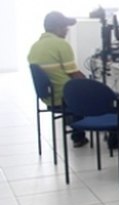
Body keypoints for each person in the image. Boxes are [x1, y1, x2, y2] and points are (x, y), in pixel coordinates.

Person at [27, 11, 88, 147]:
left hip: (48, 97)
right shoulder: (61, 44)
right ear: (57, 28)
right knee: (110, 98)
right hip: (65, 97)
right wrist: (93, 83)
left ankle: (78, 134)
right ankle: (114, 140)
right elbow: (75, 75)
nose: (67, 30)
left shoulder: (34, 47)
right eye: (65, 26)